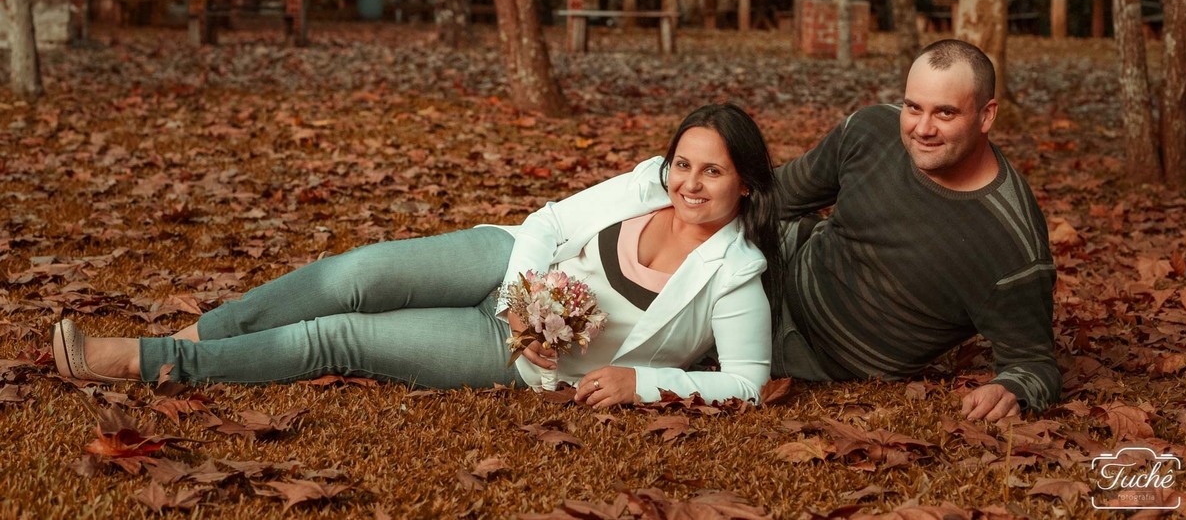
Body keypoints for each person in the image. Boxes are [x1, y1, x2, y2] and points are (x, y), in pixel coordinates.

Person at [52, 103, 783, 408]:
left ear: (744, 182)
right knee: (358, 273)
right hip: (505, 263)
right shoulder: (644, 184)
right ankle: (204, 331)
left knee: (341, 336)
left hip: (522, 356)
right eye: (683, 164)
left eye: (712, 172)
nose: (689, 184)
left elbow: (748, 381)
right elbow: (550, 220)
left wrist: (639, 383)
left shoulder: (734, 278)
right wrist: (523, 295)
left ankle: (151, 359)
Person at [771, 39, 1059, 421]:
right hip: (781, 254)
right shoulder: (871, 130)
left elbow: (1034, 364)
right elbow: (774, 195)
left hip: (802, 347)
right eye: (913, 107)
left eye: (945, 113)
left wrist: (1012, 390)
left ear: (987, 116)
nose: (922, 129)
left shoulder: (1010, 244)